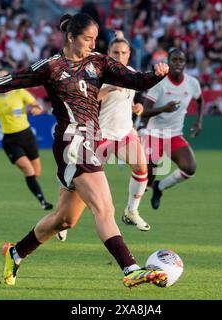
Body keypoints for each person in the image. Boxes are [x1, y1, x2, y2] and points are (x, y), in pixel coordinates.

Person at [0, 13, 170, 288]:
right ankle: (130, 269)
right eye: (87, 39)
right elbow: (6, 82)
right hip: (71, 143)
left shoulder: (99, 62)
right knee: (104, 208)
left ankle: (15, 252)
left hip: (89, 142)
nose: (92, 44)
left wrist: (156, 75)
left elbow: (137, 81)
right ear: (71, 37)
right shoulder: (51, 67)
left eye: (94, 39)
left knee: (64, 220)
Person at [58, 31, 150, 241]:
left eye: (123, 52)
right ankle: (62, 219)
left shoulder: (131, 72)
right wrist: (108, 88)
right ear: (108, 53)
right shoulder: (97, 73)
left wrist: (136, 107)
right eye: (115, 52)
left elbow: (129, 100)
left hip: (125, 132)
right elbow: (87, 99)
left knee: (142, 167)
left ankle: (131, 211)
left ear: (128, 54)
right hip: (99, 134)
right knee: (82, 182)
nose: (119, 56)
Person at [140, 48, 204, 210]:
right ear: (169, 62)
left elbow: (200, 101)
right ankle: (132, 210)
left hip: (174, 135)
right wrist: (163, 109)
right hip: (154, 135)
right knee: (146, 179)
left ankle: (160, 187)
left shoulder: (192, 83)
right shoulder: (159, 82)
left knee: (189, 169)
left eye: (180, 60)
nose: (177, 63)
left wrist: (199, 121)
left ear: (185, 64)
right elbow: (144, 111)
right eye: (174, 60)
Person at [0, 68, 53, 210]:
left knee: (36, 172)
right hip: (10, 140)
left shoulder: (19, 92)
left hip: (27, 136)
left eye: (5, 77)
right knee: (29, 170)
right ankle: (43, 202)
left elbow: (37, 105)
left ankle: (35, 189)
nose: (2, 80)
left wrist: (37, 109)